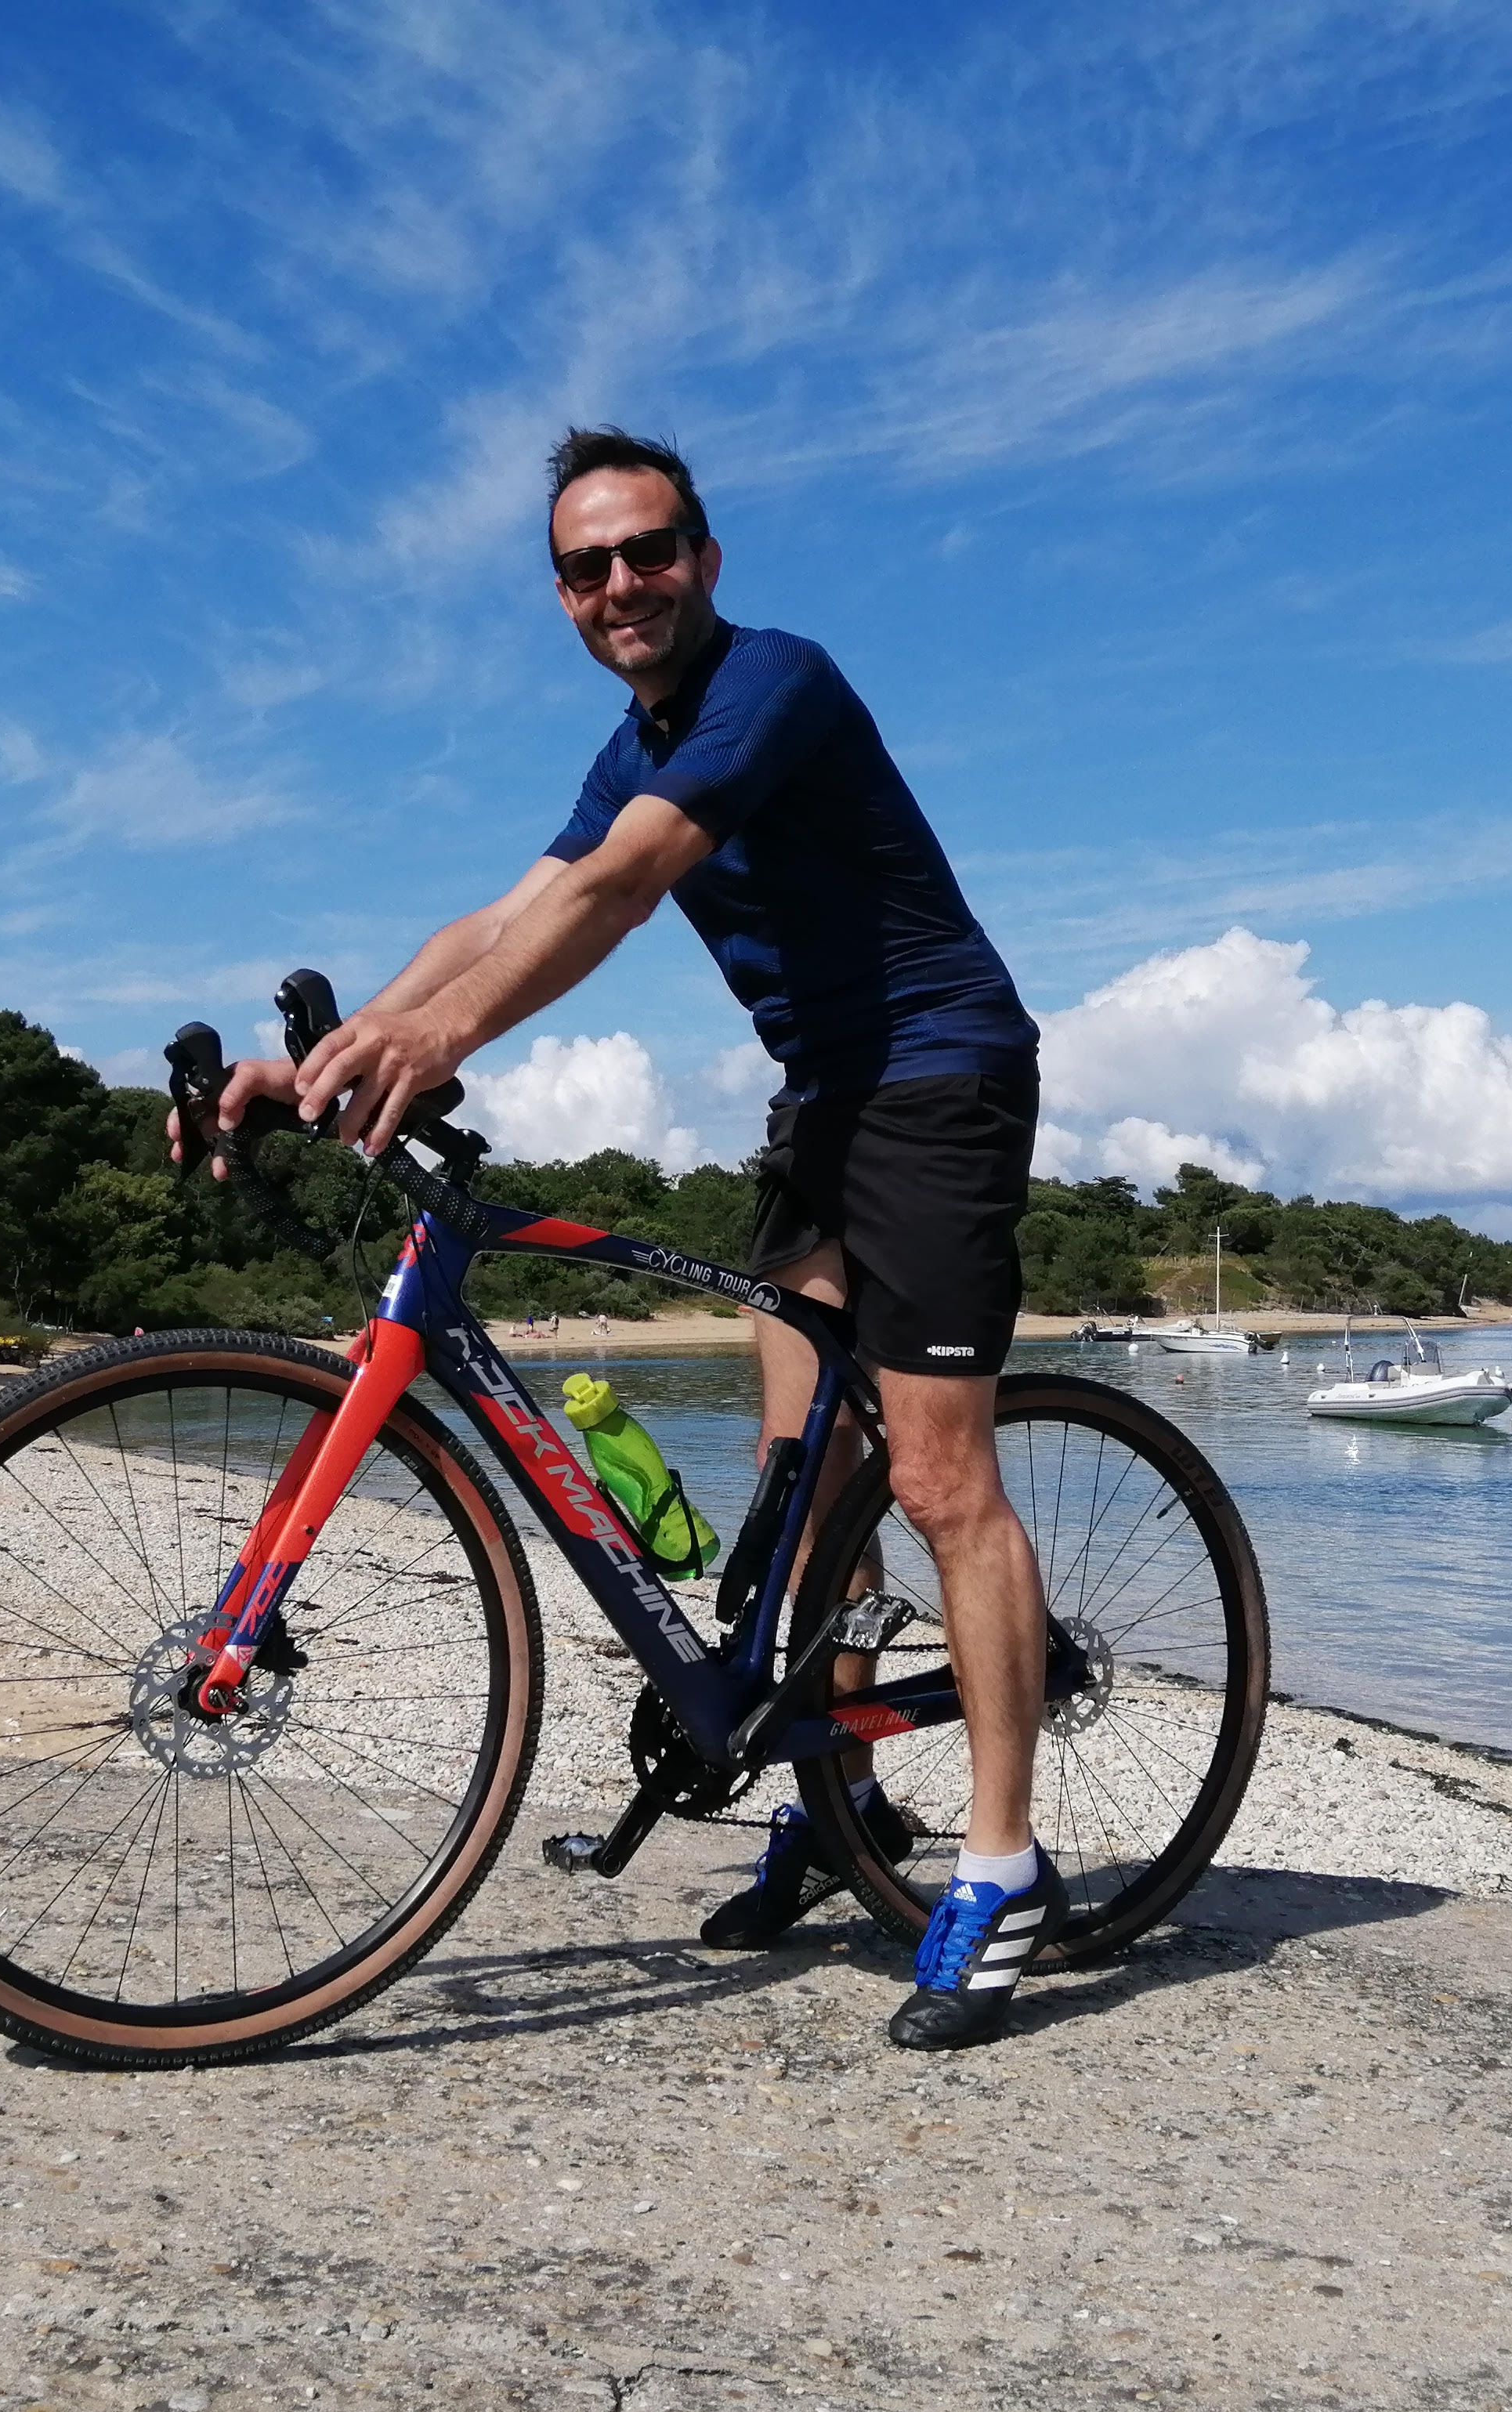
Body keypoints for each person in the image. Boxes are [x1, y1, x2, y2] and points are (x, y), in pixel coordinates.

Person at [212, 428, 1053, 2049]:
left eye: (649, 550)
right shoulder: (633, 742)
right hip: (821, 1100)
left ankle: (1004, 1868)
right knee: (805, 1474)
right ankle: (842, 1803)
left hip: (940, 1077)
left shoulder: (773, 683)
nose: (622, 584)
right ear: (561, 593)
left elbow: (624, 885)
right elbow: (510, 911)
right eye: (587, 566)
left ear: (704, 560)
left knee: (942, 1481)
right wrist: (338, 1052)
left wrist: (444, 1041)